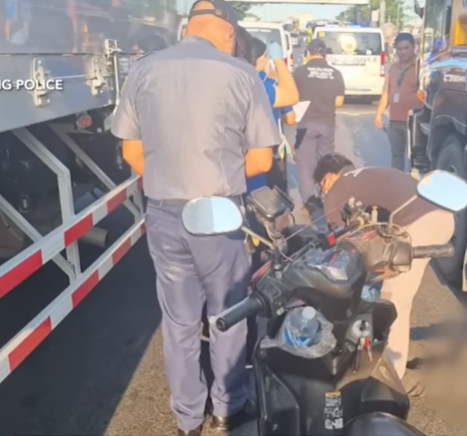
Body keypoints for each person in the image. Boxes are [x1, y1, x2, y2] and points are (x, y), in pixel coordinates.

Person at [109, 1, 280, 435]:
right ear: (226, 33)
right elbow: (260, 159)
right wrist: (213, 176)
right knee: (227, 314)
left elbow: (131, 152)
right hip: (219, 214)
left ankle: (187, 418)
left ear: (187, 29)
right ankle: (227, 408)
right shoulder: (241, 73)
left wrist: (173, 176)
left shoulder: (144, 71)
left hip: (165, 212)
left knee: (179, 322)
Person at [312, 152, 455, 392]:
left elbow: (339, 244)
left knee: (392, 297)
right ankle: (395, 351)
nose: (323, 192)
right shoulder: (365, 174)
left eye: (321, 186)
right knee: (394, 290)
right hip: (441, 216)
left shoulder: (337, 189)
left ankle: (390, 381)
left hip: (421, 222)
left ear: (327, 178)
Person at [292, 39, 345, 224]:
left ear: (308, 53)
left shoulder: (299, 72)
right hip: (327, 123)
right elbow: (339, 102)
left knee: (304, 164)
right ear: (325, 54)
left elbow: (291, 97)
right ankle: (328, 197)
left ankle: (310, 202)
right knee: (326, 164)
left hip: (305, 123)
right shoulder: (336, 73)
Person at [246, 37, 298, 194]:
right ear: (261, 59)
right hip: (267, 152)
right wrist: (278, 60)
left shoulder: (234, 81)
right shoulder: (267, 85)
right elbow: (291, 116)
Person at [375, 33, 423, 172]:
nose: (402, 52)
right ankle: (397, 184)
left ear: (414, 47)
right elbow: (386, 92)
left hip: (412, 121)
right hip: (395, 120)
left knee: (413, 157)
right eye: (399, 49)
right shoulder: (393, 68)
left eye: (406, 48)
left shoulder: (420, 68)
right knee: (396, 155)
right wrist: (379, 113)